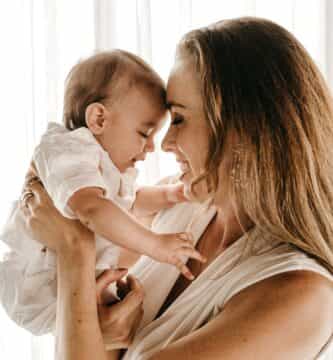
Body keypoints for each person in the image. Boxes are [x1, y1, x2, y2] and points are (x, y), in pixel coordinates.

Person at [13, 16, 333, 359]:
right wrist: (101, 334)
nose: (164, 144)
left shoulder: (300, 295)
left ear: (244, 129)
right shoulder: (174, 211)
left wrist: (74, 246)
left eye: (178, 118)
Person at [0, 50, 205, 336]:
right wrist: (155, 245)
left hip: (71, 277)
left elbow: (128, 202)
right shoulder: (68, 150)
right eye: (145, 134)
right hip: (38, 282)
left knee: (121, 322)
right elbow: (93, 209)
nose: (151, 148)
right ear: (98, 119)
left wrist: (172, 194)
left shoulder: (101, 165)